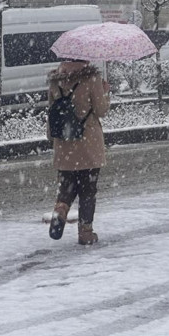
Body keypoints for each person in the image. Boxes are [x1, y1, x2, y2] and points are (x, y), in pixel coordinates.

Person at [47, 59, 110, 245]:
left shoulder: (55, 80)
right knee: (88, 189)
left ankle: (60, 209)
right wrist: (105, 91)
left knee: (67, 186)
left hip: (64, 143)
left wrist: (52, 138)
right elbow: (101, 110)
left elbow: (51, 110)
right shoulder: (92, 78)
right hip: (87, 142)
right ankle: (85, 232)